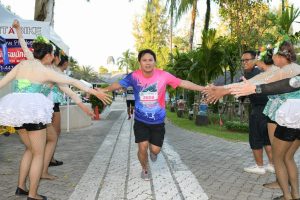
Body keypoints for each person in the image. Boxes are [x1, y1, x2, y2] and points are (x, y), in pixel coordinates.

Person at [2, 21, 111, 200]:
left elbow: (2, 83)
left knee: (30, 150)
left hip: (17, 111)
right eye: (52, 54)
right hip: (34, 112)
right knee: (38, 153)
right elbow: (73, 83)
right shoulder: (46, 72)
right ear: (47, 55)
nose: (54, 57)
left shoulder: (23, 64)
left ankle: (21, 187)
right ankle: (32, 194)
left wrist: (19, 32)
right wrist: (94, 92)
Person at [100, 49, 204, 180]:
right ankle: (144, 169)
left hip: (158, 122)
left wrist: (203, 88)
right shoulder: (134, 76)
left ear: (154, 62)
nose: (147, 63)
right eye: (144, 60)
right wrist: (103, 90)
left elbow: (183, 82)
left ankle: (153, 153)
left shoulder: (163, 75)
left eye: (150, 60)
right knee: (142, 147)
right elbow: (118, 84)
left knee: (155, 150)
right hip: (140, 120)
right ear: (140, 63)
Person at [229, 41, 300, 200]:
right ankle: (295, 195)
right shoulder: (293, 68)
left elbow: (268, 84)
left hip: (290, 118)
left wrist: (251, 87)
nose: (272, 58)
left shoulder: (289, 70)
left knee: (278, 158)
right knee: (288, 157)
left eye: (273, 55)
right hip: (296, 119)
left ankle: (288, 197)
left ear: (281, 55)